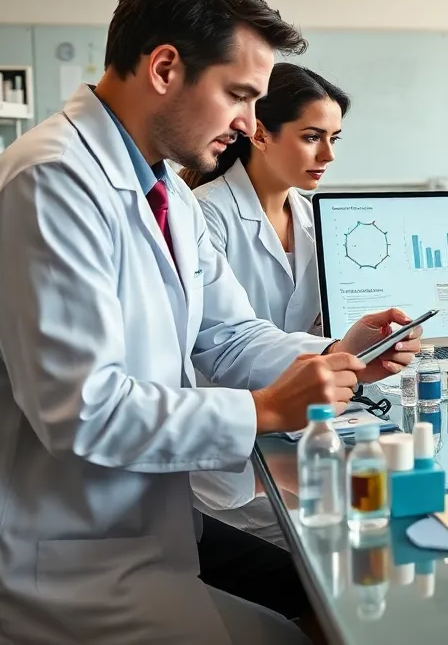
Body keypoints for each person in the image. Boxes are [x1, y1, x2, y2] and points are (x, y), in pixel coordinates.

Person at [0, 0, 419, 643]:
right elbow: (82, 410)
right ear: (166, 68)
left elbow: (228, 335)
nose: (248, 122)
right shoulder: (50, 182)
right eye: (239, 94)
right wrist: (264, 408)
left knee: (330, 595)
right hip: (52, 561)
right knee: (307, 633)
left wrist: (335, 354)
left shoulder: (165, 192)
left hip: (144, 529)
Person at [179, 64, 350, 548]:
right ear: (259, 133)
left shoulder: (319, 220)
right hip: (232, 450)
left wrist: (346, 343)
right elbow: (222, 342)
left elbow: (314, 324)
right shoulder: (206, 214)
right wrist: (327, 349)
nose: (328, 154)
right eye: (312, 136)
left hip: (299, 434)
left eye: (335, 138)